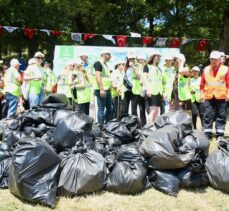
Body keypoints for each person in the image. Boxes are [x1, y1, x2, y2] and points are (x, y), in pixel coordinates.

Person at [200, 50, 229, 140]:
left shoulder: (225, 69)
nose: (213, 61)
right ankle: (207, 133)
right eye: (212, 59)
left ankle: (219, 134)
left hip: (222, 95)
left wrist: (228, 94)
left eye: (215, 59)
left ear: (220, 60)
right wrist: (201, 94)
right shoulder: (206, 69)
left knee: (221, 115)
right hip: (208, 96)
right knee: (208, 114)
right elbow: (202, 84)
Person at [93, 49, 113, 127]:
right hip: (101, 90)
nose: (110, 57)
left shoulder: (105, 64)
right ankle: (100, 127)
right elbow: (98, 76)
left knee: (109, 108)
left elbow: (107, 78)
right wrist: (101, 89)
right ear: (104, 54)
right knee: (101, 109)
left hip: (107, 89)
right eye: (109, 55)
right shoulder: (98, 63)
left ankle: (108, 126)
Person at [143, 51, 163, 122]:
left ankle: (155, 128)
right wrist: (147, 89)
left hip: (159, 92)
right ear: (153, 57)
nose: (158, 57)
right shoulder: (147, 66)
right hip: (151, 91)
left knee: (157, 111)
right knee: (153, 111)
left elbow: (161, 81)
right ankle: (149, 127)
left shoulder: (159, 68)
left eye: (159, 56)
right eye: (157, 56)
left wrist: (163, 92)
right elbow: (144, 79)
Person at [132, 53, 147, 126]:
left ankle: (144, 125)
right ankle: (136, 124)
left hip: (143, 91)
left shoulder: (146, 68)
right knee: (133, 110)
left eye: (142, 60)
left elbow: (140, 77)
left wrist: (135, 69)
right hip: (135, 91)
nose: (140, 61)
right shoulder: (136, 67)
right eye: (139, 60)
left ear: (145, 60)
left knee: (142, 110)